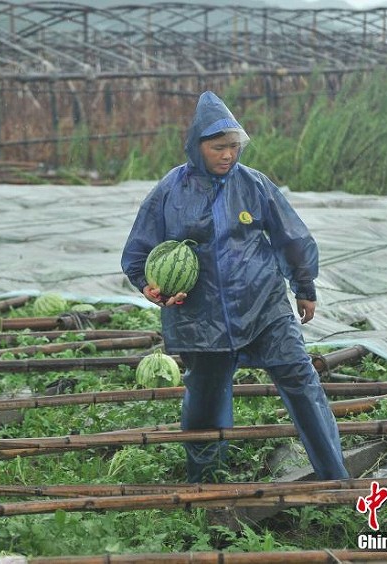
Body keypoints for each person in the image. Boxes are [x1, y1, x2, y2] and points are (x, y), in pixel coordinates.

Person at [121, 91, 349, 483]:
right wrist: (149, 286)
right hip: (199, 314)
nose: (228, 155)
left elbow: (290, 237)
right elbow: (139, 250)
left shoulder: (253, 185)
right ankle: (205, 483)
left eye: (233, 147)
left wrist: (304, 285)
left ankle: (335, 476)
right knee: (204, 402)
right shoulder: (171, 190)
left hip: (263, 305)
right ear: (198, 147)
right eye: (218, 148)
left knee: (300, 379)